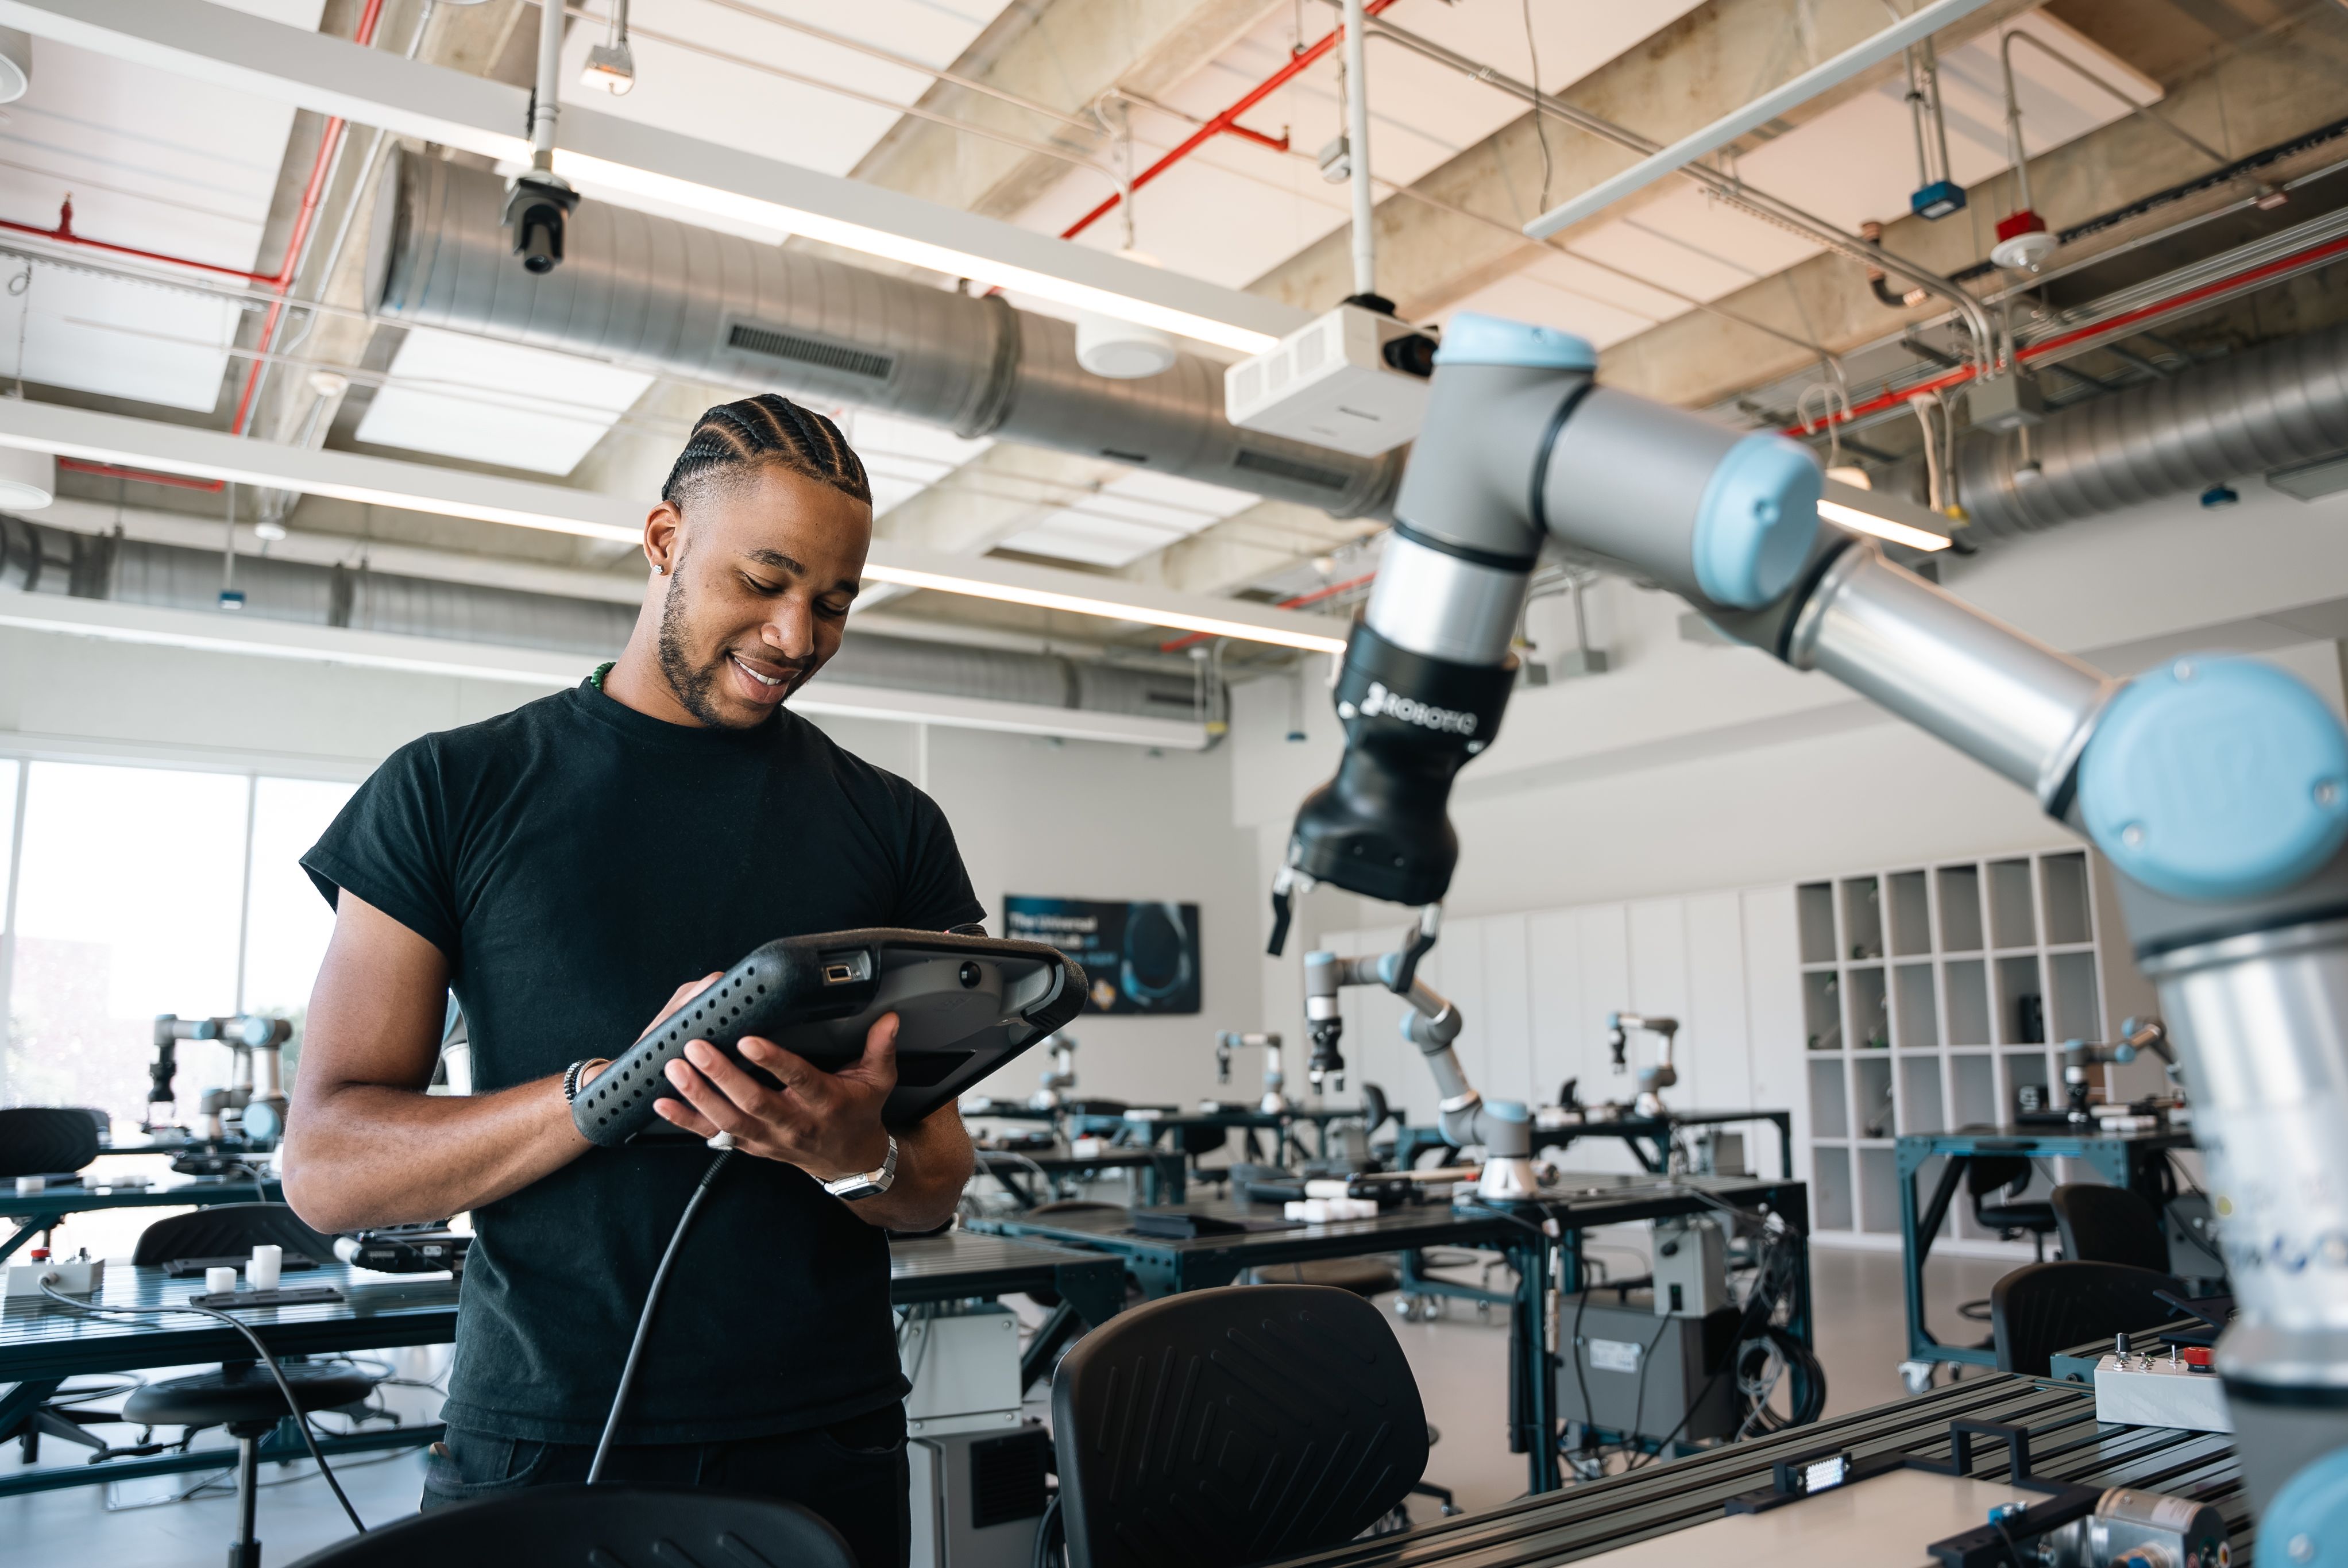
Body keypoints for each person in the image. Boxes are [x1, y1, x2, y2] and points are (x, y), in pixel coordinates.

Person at [281, 395, 984, 1567]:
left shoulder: (894, 827)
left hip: (826, 1437)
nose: (795, 635)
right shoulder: (451, 790)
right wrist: (608, 1092)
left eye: (835, 602)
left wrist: (847, 1155)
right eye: (762, 580)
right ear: (664, 541)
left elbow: (934, 1188)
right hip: (544, 1433)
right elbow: (329, 1171)